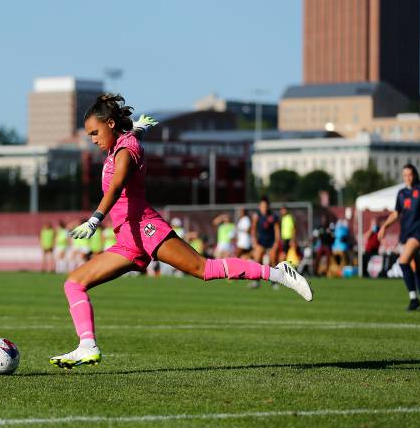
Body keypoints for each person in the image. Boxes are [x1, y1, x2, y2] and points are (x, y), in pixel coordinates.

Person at [49, 94, 312, 369]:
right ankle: (87, 346)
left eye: (95, 132)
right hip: (128, 238)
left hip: (145, 228)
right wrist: (135, 127)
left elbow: (116, 186)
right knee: (74, 283)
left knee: (204, 269)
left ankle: (280, 273)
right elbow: (124, 143)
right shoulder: (120, 145)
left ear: (111, 124)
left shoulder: (125, 151)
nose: (92, 139)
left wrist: (94, 220)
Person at [378, 164, 420, 311]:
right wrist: (384, 226)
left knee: (403, 261)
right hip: (406, 233)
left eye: (410, 175)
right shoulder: (401, 193)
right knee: (416, 267)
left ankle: (413, 298)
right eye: (405, 175)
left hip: (418, 233)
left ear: (415, 175)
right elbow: (396, 214)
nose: (407, 178)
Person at [249, 196, 281, 289]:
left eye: (265, 206)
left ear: (268, 206)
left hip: (271, 242)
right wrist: (254, 241)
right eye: (262, 206)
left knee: (273, 260)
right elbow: (253, 229)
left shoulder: (273, 216)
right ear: (260, 206)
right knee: (257, 259)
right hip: (261, 242)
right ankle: (256, 281)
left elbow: (277, 230)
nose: (264, 208)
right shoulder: (256, 216)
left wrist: (276, 243)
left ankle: (274, 282)